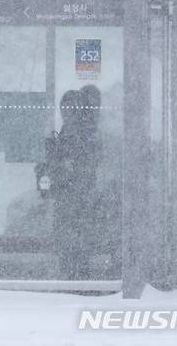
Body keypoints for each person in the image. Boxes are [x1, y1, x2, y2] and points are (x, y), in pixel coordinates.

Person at [48, 87, 102, 280]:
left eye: (71, 109)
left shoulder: (84, 136)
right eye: (64, 108)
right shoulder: (66, 133)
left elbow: (85, 166)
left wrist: (63, 165)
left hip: (77, 199)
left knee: (76, 243)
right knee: (68, 243)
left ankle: (77, 277)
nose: (67, 113)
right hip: (67, 198)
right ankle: (71, 274)